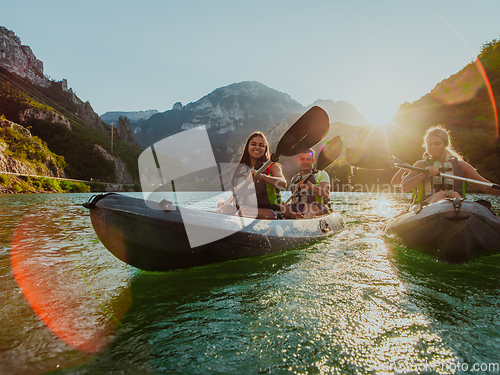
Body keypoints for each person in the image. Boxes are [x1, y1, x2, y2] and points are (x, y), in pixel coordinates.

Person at [399, 125, 500, 204]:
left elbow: (487, 187)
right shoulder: (420, 165)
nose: (432, 147)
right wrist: (424, 174)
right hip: (423, 207)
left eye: (437, 143)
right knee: (441, 194)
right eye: (429, 144)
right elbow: (403, 188)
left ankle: (458, 216)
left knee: (454, 194)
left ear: (446, 144)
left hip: (455, 207)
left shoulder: (461, 165)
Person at [217, 131, 286, 219]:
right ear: (247, 148)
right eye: (253, 144)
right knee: (226, 208)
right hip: (243, 210)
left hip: (270, 212)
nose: (257, 147)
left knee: (243, 210)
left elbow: (283, 183)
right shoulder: (240, 170)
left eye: (261, 145)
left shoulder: (272, 166)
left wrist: (262, 177)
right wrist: (224, 206)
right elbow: (236, 195)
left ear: (265, 148)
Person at [282, 148, 330, 219]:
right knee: (282, 207)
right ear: (299, 161)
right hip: (298, 208)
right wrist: (285, 207)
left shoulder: (321, 174)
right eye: (303, 159)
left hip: (318, 207)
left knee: (308, 206)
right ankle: (295, 216)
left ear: (313, 161)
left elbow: (326, 195)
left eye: (308, 159)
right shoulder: (295, 178)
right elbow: (295, 200)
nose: (305, 162)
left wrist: (312, 187)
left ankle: (304, 221)